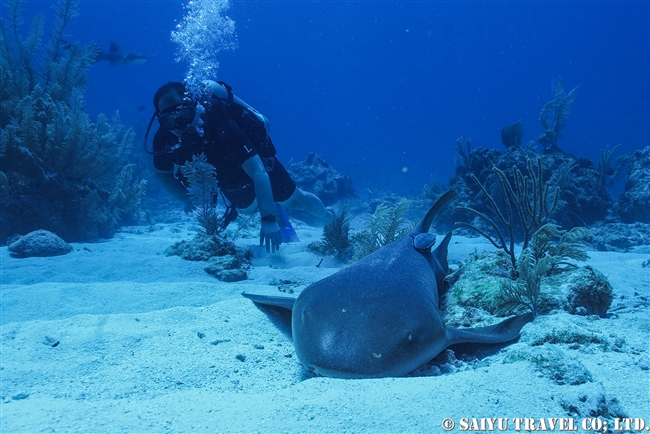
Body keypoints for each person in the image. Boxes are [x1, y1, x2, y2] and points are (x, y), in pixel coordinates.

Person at [145, 80, 332, 253]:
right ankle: (271, 206)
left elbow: (258, 172)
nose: (179, 125)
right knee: (248, 209)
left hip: (257, 163)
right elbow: (163, 174)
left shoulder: (221, 124)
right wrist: (184, 198)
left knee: (296, 200)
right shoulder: (164, 138)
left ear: (194, 108)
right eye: (170, 120)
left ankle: (328, 218)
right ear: (160, 119)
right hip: (226, 174)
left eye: (184, 115)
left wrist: (268, 221)